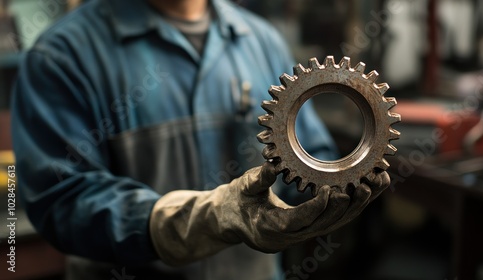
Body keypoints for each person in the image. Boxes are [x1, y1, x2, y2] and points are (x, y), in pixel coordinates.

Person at [11, 0, 390, 279]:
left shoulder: (260, 39)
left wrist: (327, 193)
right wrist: (203, 219)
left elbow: (312, 154)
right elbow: (62, 201)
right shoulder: (61, 55)